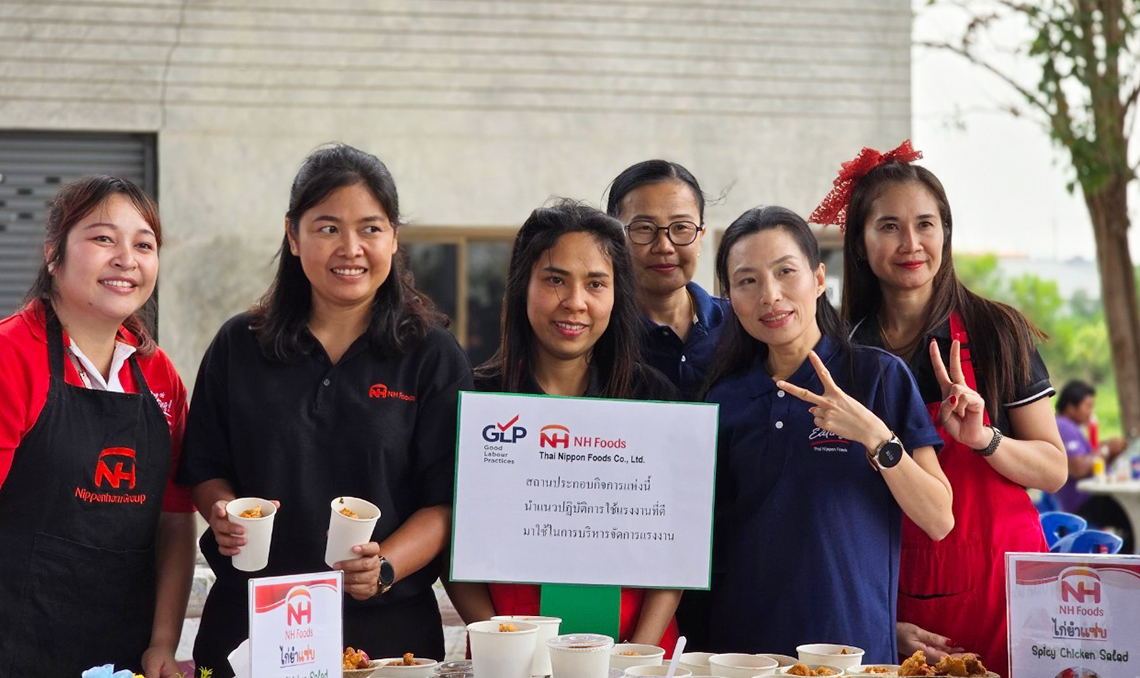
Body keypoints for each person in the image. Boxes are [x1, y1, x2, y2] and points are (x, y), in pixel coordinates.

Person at [177, 145, 472, 676]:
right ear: (293, 236)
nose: (350, 248)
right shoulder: (240, 345)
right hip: (252, 628)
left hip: (388, 638)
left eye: (370, 228)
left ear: (394, 237)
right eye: (328, 228)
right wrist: (222, 512)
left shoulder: (431, 354)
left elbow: (446, 500)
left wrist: (384, 566)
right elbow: (205, 467)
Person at [814, 141, 1067, 675]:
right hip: (900, 599)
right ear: (858, 242)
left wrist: (984, 439)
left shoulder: (996, 332)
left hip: (1005, 597)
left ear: (945, 233)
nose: (911, 244)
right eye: (889, 226)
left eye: (925, 224)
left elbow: (1053, 469)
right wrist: (878, 619)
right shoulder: (843, 355)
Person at [705, 205, 953, 662]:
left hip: (850, 648)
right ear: (729, 296)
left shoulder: (878, 376)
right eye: (747, 281)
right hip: (742, 653)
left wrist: (874, 435)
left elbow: (939, 518)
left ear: (819, 279)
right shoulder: (723, 398)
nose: (770, 295)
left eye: (786, 272)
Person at [444, 200, 683, 653]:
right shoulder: (476, 401)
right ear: (523, 286)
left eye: (596, 283)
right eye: (555, 280)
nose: (575, 302)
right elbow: (451, 543)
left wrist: (635, 654)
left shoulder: (655, 399)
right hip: (510, 651)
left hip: (639, 652)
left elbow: (678, 547)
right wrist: (502, 642)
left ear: (617, 294)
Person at [0, 176, 196, 677]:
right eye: (104, 238)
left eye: (144, 245)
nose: (127, 259)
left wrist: (163, 643)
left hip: (124, 655)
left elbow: (175, 520)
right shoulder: (11, 357)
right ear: (53, 253)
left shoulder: (159, 375)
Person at [605, 160, 729, 401]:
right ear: (614, 238)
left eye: (681, 227)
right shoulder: (597, 331)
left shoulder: (740, 326)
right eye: (644, 228)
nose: (664, 246)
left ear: (700, 237)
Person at [1054, 380, 1131, 549]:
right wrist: (1106, 449)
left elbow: (1092, 466)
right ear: (1070, 407)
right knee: (1132, 516)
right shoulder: (1063, 426)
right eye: (1087, 406)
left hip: (1092, 498)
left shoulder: (1072, 428)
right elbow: (1078, 468)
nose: (1091, 412)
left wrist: (1111, 454)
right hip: (1084, 500)